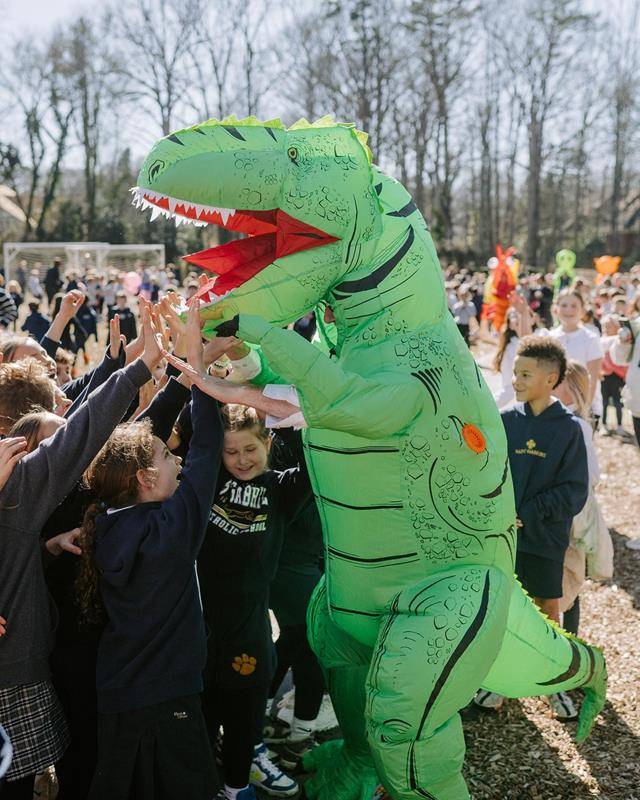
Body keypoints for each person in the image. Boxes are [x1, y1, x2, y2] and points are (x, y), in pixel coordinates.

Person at [0, 316, 159, 799]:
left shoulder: (12, 483)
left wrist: (44, 547)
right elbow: (80, 436)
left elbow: (80, 433)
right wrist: (137, 370)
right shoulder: (12, 487)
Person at [76, 354, 223, 800]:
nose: (174, 458)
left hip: (119, 693)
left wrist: (189, 378)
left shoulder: (105, 522)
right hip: (166, 695)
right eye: (164, 455)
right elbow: (207, 450)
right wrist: (200, 374)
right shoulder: (169, 532)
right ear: (143, 477)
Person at [475, 336, 588, 720]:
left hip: (544, 541)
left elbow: (574, 491)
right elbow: (489, 473)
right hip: (504, 540)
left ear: (551, 378)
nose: (516, 380)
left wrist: (530, 512)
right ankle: (500, 682)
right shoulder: (505, 421)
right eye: (515, 373)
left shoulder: (569, 430)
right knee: (502, 611)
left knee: (545, 613)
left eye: (525, 374)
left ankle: (553, 684)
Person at [600, 314, 627, 436]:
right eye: (605, 326)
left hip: (617, 376)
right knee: (604, 402)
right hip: (604, 376)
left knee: (617, 402)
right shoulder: (601, 340)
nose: (607, 328)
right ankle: (604, 425)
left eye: (609, 326)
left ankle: (620, 425)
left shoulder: (619, 340)